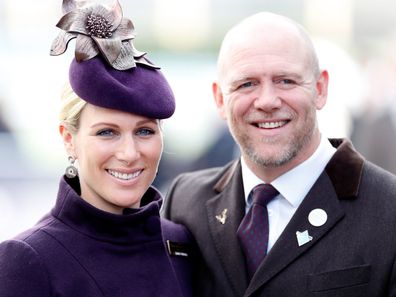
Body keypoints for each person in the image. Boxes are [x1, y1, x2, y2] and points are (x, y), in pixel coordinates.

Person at [162, 11, 396, 297]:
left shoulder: (389, 210)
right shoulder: (185, 203)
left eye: (286, 81)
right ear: (220, 99)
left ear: (320, 89)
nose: (268, 101)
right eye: (247, 83)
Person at [0, 1, 194, 296]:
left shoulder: (180, 245)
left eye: (144, 131)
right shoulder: (28, 260)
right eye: (107, 132)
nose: (129, 153)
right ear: (69, 139)